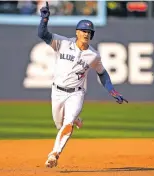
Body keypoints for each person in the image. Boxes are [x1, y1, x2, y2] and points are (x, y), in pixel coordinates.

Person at [38, 2, 128, 168]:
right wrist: (44, 19)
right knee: (59, 125)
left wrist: (112, 91)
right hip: (57, 92)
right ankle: (75, 118)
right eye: (84, 31)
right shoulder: (63, 43)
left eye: (89, 32)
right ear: (77, 32)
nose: (86, 34)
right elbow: (43, 35)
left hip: (76, 93)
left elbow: (102, 73)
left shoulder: (93, 55)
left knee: (67, 124)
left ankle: (54, 154)